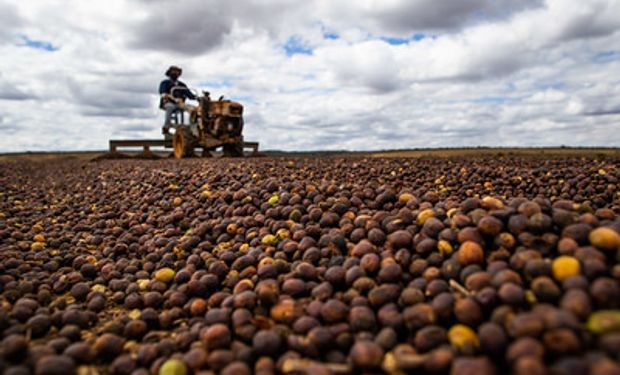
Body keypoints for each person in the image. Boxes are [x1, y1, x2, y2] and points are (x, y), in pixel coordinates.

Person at [159, 65, 196, 134]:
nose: (175, 74)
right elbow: (163, 94)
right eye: (174, 72)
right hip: (168, 103)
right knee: (170, 107)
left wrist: (198, 98)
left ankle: (193, 128)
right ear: (169, 73)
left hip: (180, 104)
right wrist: (174, 99)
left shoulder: (181, 85)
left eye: (177, 72)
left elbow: (190, 95)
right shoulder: (165, 83)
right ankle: (166, 127)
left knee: (192, 109)